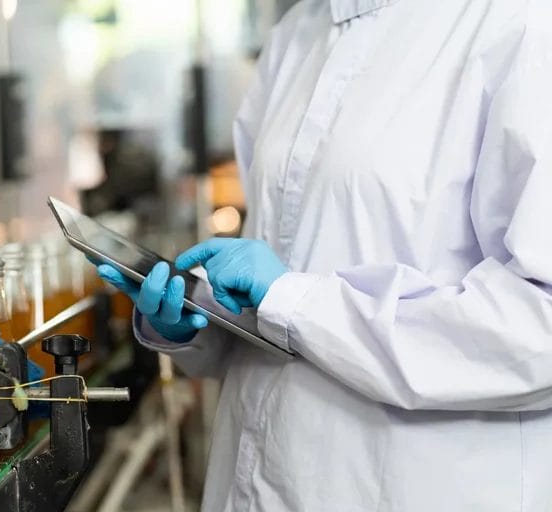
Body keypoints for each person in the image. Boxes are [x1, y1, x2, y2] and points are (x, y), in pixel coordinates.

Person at [93, 0, 552, 510]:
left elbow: (539, 330)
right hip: (256, 477)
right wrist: (199, 317)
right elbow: (275, 282)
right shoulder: (296, 34)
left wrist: (295, 301)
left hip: (412, 485)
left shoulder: (519, 22)